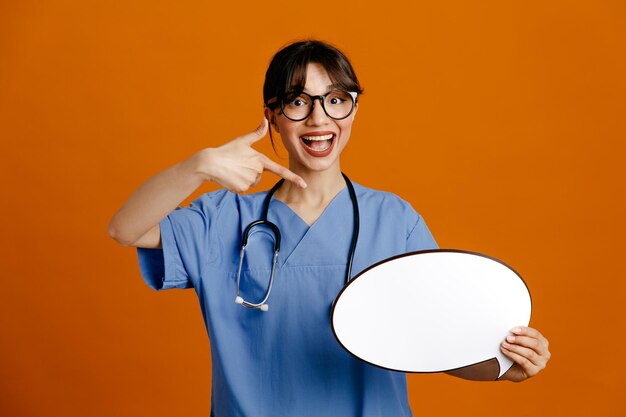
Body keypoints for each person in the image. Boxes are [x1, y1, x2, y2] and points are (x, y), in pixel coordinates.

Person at [108, 40, 550, 416]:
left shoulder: (395, 221)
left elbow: (431, 342)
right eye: (298, 102)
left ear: (354, 109)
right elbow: (125, 229)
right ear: (273, 117)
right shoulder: (223, 219)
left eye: (336, 99)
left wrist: (503, 366)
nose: (319, 119)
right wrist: (198, 165)